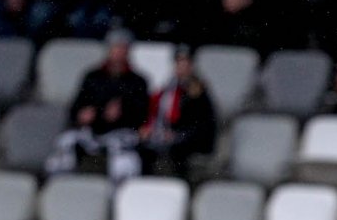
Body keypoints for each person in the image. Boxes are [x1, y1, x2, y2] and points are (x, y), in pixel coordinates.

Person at [46, 27, 149, 182]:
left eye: (122, 48)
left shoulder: (137, 81)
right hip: (93, 131)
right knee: (65, 143)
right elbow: (76, 107)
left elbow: (141, 114)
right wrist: (81, 114)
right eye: (115, 47)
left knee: (124, 163)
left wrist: (122, 113)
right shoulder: (93, 77)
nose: (118, 52)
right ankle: (59, 184)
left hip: (122, 134)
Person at [140, 45, 218, 179]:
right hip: (169, 135)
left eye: (185, 63)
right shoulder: (170, 87)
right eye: (178, 62)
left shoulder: (198, 91)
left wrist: (178, 135)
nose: (181, 67)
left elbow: (202, 124)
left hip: (190, 140)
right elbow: (159, 111)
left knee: (177, 153)